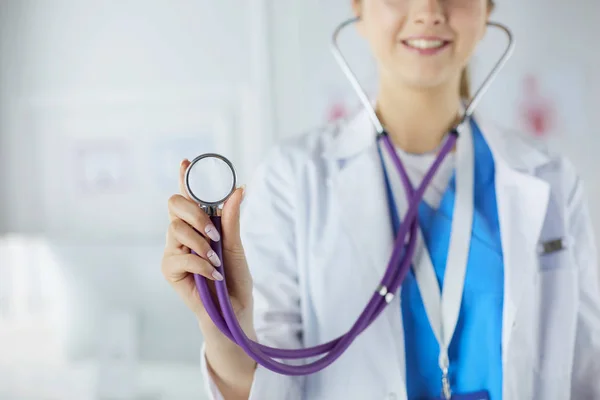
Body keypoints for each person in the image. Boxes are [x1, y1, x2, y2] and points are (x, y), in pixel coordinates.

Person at [161, 0, 600, 399]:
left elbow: (586, 372)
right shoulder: (294, 178)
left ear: (487, 10)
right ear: (359, 8)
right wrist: (225, 328)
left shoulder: (552, 180)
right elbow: (270, 386)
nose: (429, 10)